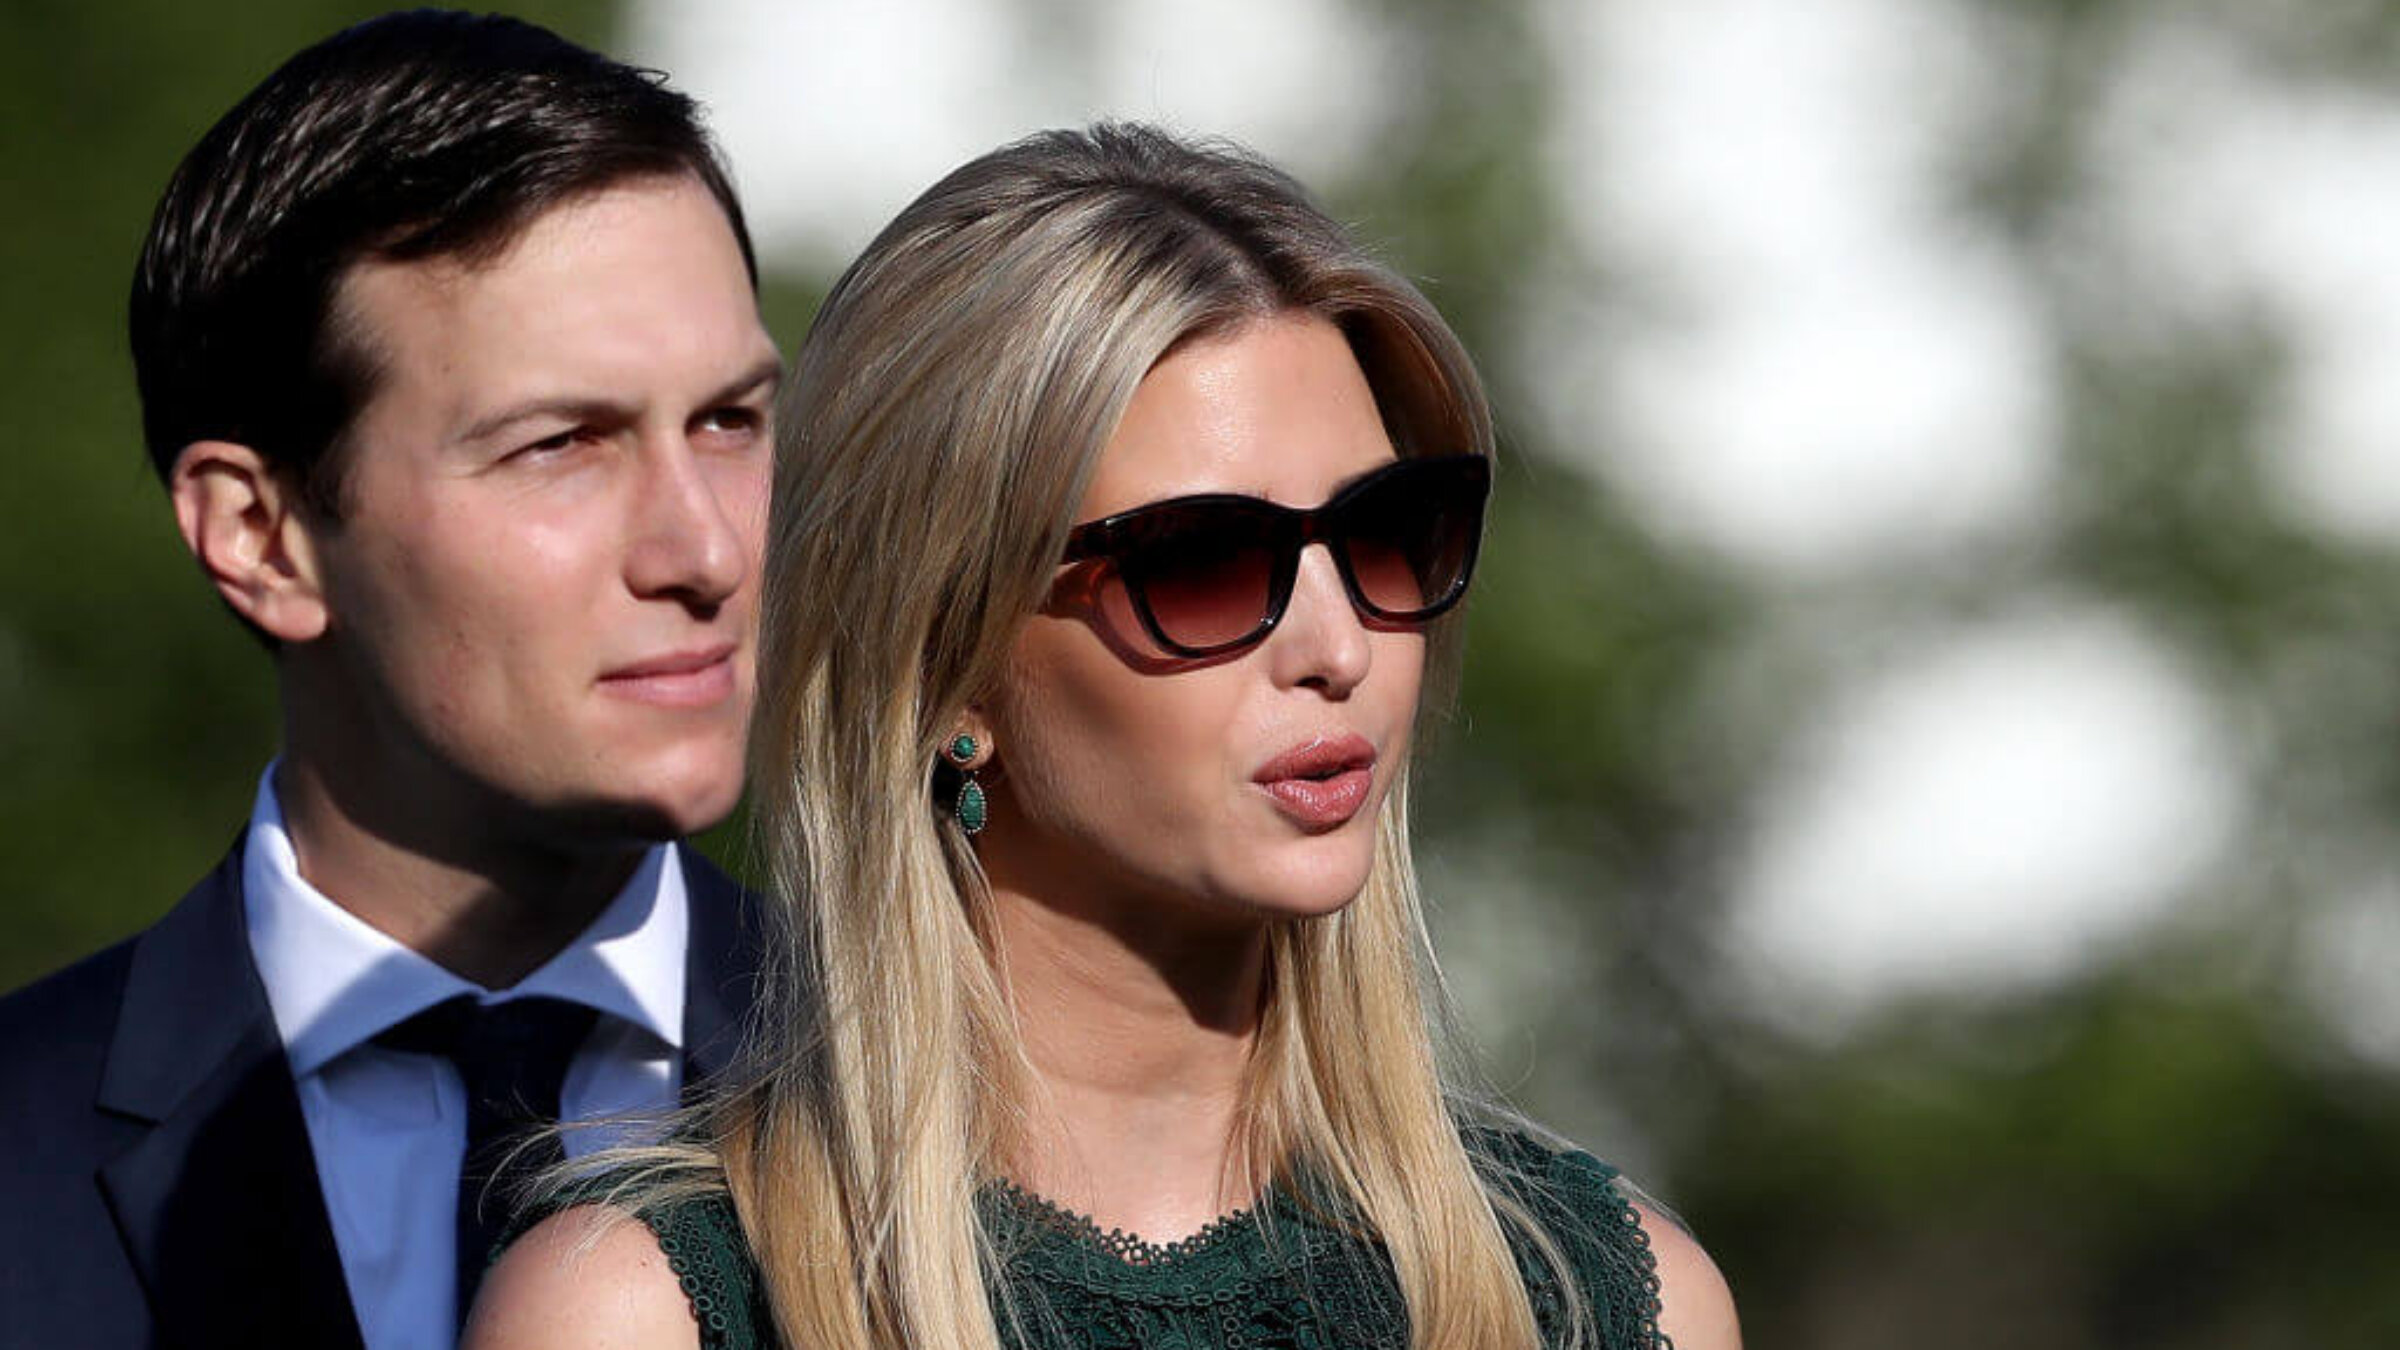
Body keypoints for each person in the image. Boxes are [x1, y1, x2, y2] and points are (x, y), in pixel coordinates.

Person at [470, 124, 1741, 1350]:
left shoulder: (1612, 1303)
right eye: (1201, 563)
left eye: (1384, 532)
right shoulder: (649, 1312)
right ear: (944, 670)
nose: (1339, 646)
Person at [0, 12, 780, 1349]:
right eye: (560, 445)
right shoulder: (21, 1156)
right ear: (261, 536)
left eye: (731, 420)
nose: (706, 548)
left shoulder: (981, 1094)